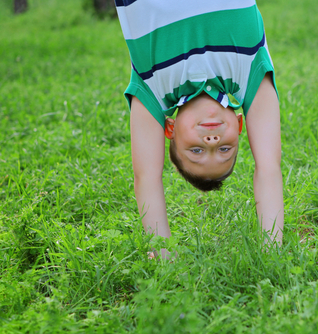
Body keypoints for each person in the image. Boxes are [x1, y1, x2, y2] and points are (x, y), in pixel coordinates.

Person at [115, 0, 283, 258]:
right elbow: (269, 167)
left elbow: (146, 177)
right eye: (224, 148)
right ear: (240, 125)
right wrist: (272, 253)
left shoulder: (152, 89)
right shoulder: (248, 72)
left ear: (169, 129)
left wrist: (163, 255)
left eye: (196, 150)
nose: (212, 140)